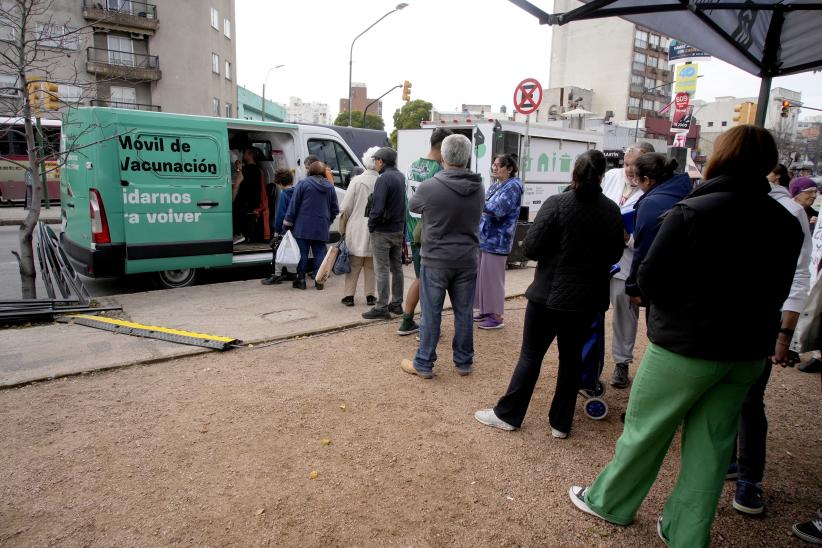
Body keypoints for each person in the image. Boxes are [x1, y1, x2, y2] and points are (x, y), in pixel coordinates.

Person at [567, 125, 804, 548]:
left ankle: (610, 501)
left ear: (720, 158)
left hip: (685, 345)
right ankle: (685, 531)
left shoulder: (692, 211)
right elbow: (783, 286)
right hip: (748, 351)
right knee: (713, 446)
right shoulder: (785, 221)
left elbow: (648, 279)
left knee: (646, 429)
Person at [474, 150, 624, 437]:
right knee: (571, 360)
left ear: (574, 174)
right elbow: (615, 252)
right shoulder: (611, 210)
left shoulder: (557, 203)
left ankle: (509, 414)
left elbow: (530, 247)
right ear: (602, 176)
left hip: (548, 294)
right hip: (586, 299)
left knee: (531, 355)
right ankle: (560, 423)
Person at [729, 163, 812, 516]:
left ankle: (749, 478)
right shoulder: (724, 200)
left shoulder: (791, 213)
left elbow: (799, 274)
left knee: (750, 399)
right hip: (719, 318)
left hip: (760, 322)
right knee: (718, 396)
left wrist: (784, 334)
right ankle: (725, 461)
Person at [400, 134, 485, 379]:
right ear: (467, 157)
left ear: (443, 156)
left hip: (435, 258)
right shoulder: (478, 187)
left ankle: (424, 363)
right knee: (464, 312)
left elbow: (413, 206)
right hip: (467, 258)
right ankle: (464, 362)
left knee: (431, 313)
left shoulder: (430, 186)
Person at [600, 142, 655, 389]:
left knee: (624, 316)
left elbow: (650, 237)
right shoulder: (611, 176)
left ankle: (622, 363)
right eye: (626, 164)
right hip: (600, 260)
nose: (630, 170)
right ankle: (591, 361)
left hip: (628, 264)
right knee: (591, 313)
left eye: (636, 165)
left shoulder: (652, 189)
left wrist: (626, 237)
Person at [397, 127, 452, 336]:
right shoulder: (439, 171)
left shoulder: (412, 166)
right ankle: (427, 329)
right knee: (431, 283)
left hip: (413, 231)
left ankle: (407, 320)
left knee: (420, 279)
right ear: (445, 147)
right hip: (432, 233)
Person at [624, 154, 692, 305]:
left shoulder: (650, 204)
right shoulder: (686, 190)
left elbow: (644, 250)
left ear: (647, 180)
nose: (636, 183)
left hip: (661, 288)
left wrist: (633, 287)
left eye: (637, 179)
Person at [474, 154, 524, 330]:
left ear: (509, 169)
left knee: (493, 279)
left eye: (498, 165)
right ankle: (485, 310)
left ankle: (496, 315)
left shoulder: (513, 187)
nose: (494, 168)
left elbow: (499, 209)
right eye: (494, 165)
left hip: (498, 240)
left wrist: (476, 202)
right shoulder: (497, 184)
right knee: (482, 276)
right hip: (486, 238)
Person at [362, 147, 406, 320]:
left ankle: (381, 306)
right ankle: (396, 304)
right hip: (398, 229)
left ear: (381, 161)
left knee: (381, 269)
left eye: (375, 160)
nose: (374, 164)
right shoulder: (400, 176)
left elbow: (378, 207)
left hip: (382, 231)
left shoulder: (383, 178)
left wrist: (371, 225)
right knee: (397, 268)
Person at [283, 160, 339, 290]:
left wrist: (287, 224)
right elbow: (335, 209)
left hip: (302, 226)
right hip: (321, 226)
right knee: (319, 253)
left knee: (302, 253)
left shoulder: (303, 184)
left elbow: (294, 205)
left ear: (310, 171)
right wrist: (328, 220)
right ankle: (319, 281)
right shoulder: (330, 187)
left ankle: (301, 280)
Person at [338, 146, 380, 306]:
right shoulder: (381, 181)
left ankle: (349, 296)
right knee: (371, 265)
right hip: (374, 228)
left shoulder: (356, 181)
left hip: (355, 228)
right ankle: (370, 295)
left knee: (354, 264)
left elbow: (346, 208)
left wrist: (342, 229)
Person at [261, 168, 297, 285]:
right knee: (291, 250)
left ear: (280, 183)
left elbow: (280, 214)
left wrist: (276, 230)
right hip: (296, 227)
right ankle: (292, 273)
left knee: (278, 251)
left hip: (285, 228)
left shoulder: (284, 194)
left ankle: (276, 275)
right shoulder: (297, 192)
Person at [232, 147, 269, 244]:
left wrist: (232, 200)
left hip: (244, 202)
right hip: (255, 202)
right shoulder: (259, 170)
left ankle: (237, 234)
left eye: (245, 153)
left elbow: (236, 186)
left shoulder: (244, 170)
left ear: (249, 154)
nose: (243, 155)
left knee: (234, 206)